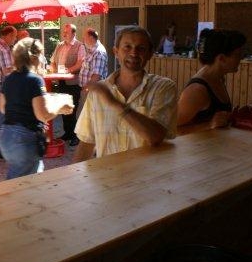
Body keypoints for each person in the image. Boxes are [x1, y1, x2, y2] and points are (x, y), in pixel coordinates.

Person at [73, 26, 177, 162]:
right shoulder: (99, 92)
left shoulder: (163, 87)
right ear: (116, 52)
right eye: (127, 47)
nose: (134, 53)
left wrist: (115, 103)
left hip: (148, 175)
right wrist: (74, 174)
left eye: (141, 48)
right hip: (108, 174)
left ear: (150, 54)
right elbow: (87, 142)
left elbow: (156, 137)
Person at [0, 38, 74, 179]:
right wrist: (60, 108)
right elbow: (42, 115)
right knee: (24, 183)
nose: (41, 59)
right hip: (24, 137)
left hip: (6, 135)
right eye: (40, 55)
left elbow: (3, 108)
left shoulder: (9, 79)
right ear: (33, 57)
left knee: (24, 176)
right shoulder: (35, 80)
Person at [177, 29, 248, 134]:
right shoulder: (197, 91)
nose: (240, 58)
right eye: (237, 55)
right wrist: (208, 125)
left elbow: (213, 117)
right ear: (221, 58)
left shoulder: (218, 79)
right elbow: (171, 130)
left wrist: (235, 115)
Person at [50, 23, 86, 146]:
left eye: (67, 32)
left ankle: (76, 136)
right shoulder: (59, 45)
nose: (64, 34)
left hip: (73, 82)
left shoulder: (80, 46)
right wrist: (54, 70)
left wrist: (68, 71)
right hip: (61, 81)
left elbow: (80, 63)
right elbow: (53, 61)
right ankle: (68, 133)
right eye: (64, 32)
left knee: (73, 109)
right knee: (63, 108)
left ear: (73, 33)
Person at [0, 26, 18, 159]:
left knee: (3, 115)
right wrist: (21, 67)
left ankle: (1, 147)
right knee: (2, 116)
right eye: (14, 36)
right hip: (4, 85)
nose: (15, 39)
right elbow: (7, 71)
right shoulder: (4, 49)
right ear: (9, 35)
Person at [77, 28, 108, 117]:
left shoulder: (98, 52)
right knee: (83, 117)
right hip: (88, 89)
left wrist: (85, 89)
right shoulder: (91, 50)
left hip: (92, 91)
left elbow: (96, 76)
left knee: (86, 117)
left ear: (91, 38)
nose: (83, 40)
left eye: (84, 37)